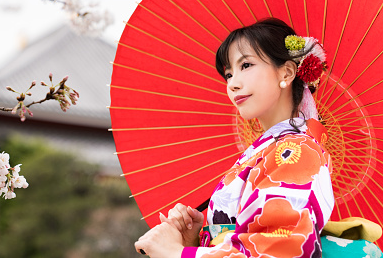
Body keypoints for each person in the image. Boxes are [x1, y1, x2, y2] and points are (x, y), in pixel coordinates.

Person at [134, 18, 335, 257]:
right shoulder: (268, 150)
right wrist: (198, 237)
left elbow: (283, 248)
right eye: (229, 74)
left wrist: (178, 253)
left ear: (288, 71)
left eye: (246, 65)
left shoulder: (295, 150)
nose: (233, 84)